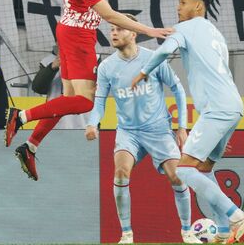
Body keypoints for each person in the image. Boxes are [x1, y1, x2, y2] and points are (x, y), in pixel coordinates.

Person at [4, 0, 171, 181]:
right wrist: (149, 30)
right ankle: (21, 116)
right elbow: (109, 15)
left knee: (67, 99)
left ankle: (31, 145)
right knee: (85, 102)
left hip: (68, 30)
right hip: (79, 37)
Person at [131, 0, 244, 244]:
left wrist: (143, 72)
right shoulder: (216, 34)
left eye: (184, 2)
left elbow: (164, 51)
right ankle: (222, 232)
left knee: (185, 170)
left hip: (217, 109)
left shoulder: (184, 29)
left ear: (198, 6)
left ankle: (235, 215)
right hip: (232, 105)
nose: (179, 7)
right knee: (205, 167)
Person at [85, 14, 198, 244]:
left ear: (133, 33)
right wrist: (92, 123)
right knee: (120, 172)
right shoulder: (107, 67)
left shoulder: (154, 59)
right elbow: (99, 102)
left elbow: (178, 89)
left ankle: (187, 232)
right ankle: (126, 234)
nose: (113, 33)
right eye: (112, 29)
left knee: (177, 176)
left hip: (159, 130)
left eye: (119, 29)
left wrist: (182, 127)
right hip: (129, 133)